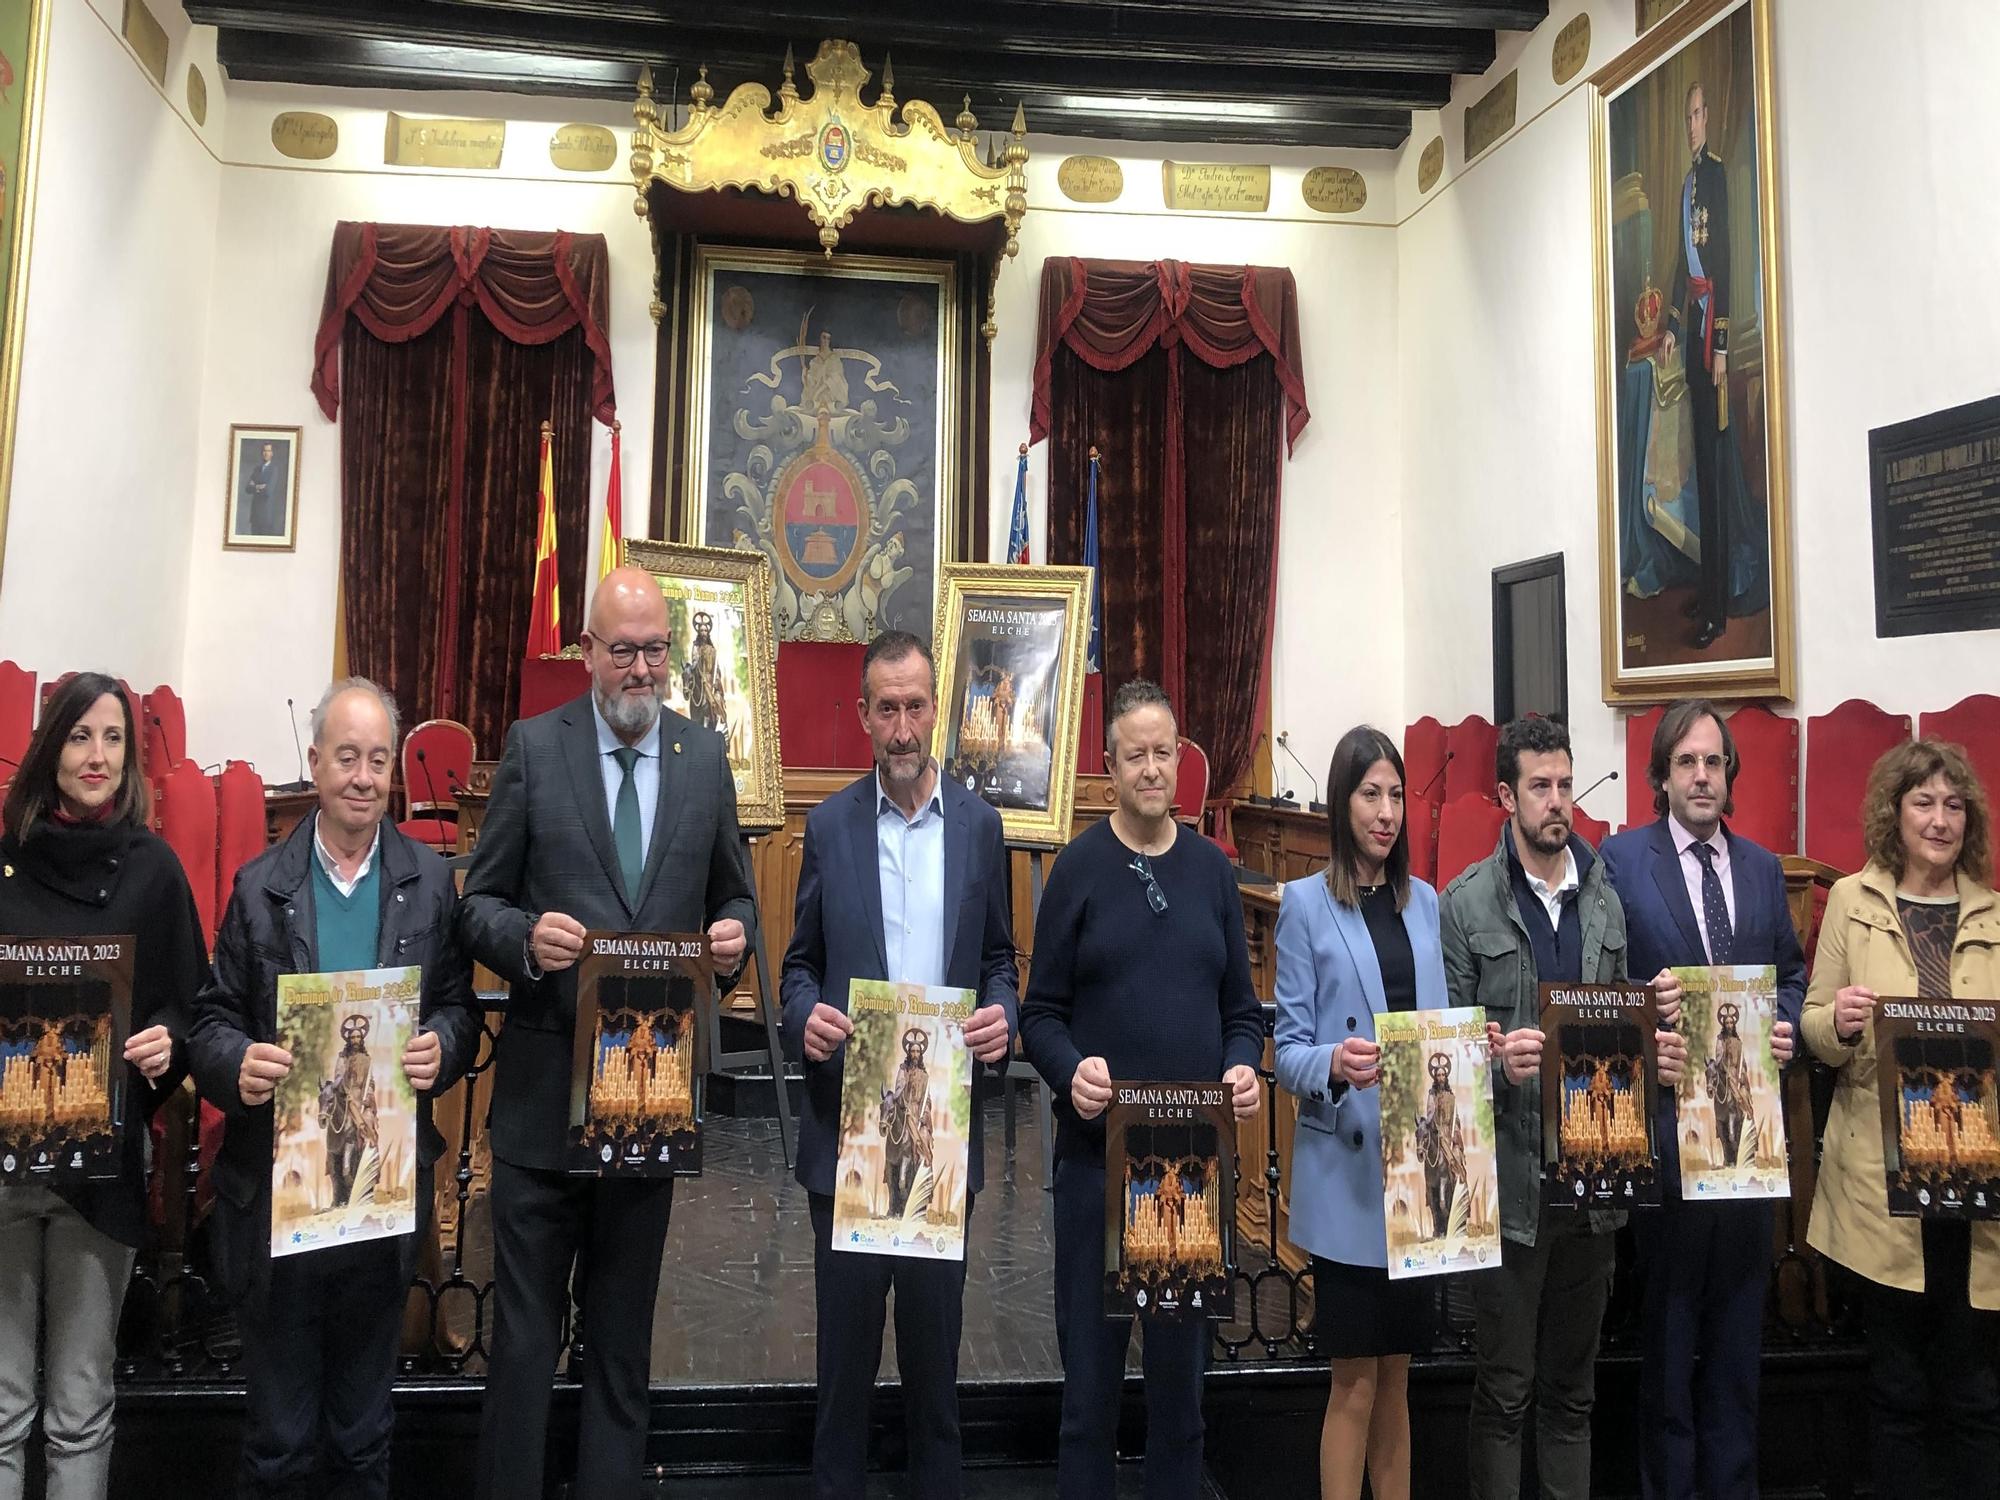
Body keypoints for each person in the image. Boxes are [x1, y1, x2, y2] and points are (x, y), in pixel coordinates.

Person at [457, 565, 757, 1500]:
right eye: (620, 649)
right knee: (524, 1352)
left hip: (649, 1109)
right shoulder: (533, 751)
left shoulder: (706, 759)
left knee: (623, 1353)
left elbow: (736, 895)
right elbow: (478, 904)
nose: (639, 668)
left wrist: (734, 940)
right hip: (544, 1114)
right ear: (586, 651)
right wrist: (524, 941)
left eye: (655, 649)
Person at [187, 677, 480, 1499]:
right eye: (345, 757)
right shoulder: (259, 887)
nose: (361, 776)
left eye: (377, 760)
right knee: (278, 1443)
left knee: (362, 1438)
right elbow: (210, 1021)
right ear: (314, 764)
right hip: (279, 1204)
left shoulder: (428, 880)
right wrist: (236, 1062)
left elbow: (458, 1005)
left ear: (393, 772)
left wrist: (443, 1048)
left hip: (377, 1199)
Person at [779, 629, 1017, 1500]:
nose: (906, 726)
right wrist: (804, 1017)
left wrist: (1004, 1016)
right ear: (864, 716)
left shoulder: (982, 827)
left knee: (935, 1384)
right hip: (847, 1140)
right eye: (889, 709)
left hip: (940, 1139)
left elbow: (999, 959)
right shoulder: (831, 827)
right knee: (841, 1382)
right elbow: (797, 966)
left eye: (918, 706)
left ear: (936, 711)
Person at [1021, 679, 1264, 1500]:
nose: (1154, 769)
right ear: (1110, 765)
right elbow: (1041, 1013)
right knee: (1089, 1396)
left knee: (1181, 1400)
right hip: (1096, 1171)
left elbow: (1243, 1012)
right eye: (1137, 756)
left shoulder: (1211, 874)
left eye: (1166, 753)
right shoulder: (1079, 870)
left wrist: (1240, 1064)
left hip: (1192, 1176)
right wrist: (1069, 1072)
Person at [1440, 715, 1686, 1500]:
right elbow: (1440, 1050)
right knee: (1505, 1392)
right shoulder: (1466, 905)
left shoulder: (1606, 897)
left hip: (1595, 1178)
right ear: (1507, 796)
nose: (1557, 803)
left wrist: (1658, 1041)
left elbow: (1624, 1019)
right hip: (1512, 1183)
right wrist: (1491, 1055)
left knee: (1572, 1396)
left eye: (1564, 786)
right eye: (1539, 787)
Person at [0, 673, 205, 1500]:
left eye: (114, 738)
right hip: (5, 1171)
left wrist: (171, 1046)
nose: (97, 756)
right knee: (3, 1405)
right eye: (81, 736)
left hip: (102, 1167)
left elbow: (193, 1009)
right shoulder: (4, 865)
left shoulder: (153, 871)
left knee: (80, 1406)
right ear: (52, 749)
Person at [1598, 700, 1805, 1500]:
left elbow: (1789, 972)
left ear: (1730, 774)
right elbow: (1600, 982)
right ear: (1660, 775)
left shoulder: (1759, 867)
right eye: (1686, 762)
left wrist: (1786, 1023)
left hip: (1750, 1143)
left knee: (1736, 1345)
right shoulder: (1620, 862)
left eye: (1714, 762)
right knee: (1670, 1338)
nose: (1702, 776)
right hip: (1666, 1136)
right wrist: (1641, 1016)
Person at [1802, 739, 2000, 1500]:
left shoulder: (1989, 911)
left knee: (1976, 1394)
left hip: (1974, 1190)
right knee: (1899, 1393)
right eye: (1924, 802)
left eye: (1954, 805)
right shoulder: (1854, 899)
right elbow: (1815, 1026)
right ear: (1895, 811)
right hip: (1880, 1190)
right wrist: (1843, 1022)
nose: (1940, 819)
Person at [1273, 726, 1449, 1500]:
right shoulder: (1307, 906)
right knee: (1354, 1384)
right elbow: (1285, 1052)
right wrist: (1336, 1066)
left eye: (1396, 796)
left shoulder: (1426, 904)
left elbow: (1439, 1024)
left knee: (1399, 1379)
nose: (1386, 813)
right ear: (1342, 803)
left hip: (1417, 1169)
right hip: (1349, 1173)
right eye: (1370, 794)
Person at [1660, 81, 1733, 648]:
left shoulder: (1716, 177)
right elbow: (1680, 267)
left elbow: (1723, 260)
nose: (1691, 124)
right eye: (1685, 116)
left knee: (1715, 471)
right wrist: (1670, 329)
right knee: (1700, 470)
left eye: (1697, 114)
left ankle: (1721, 603)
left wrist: (1723, 345)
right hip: (1692, 332)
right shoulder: (1686, 184)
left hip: (1716, 336)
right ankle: (1707, 594)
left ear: (1709, 118)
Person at [237, 441, 286, 538]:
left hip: (266, 515)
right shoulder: (257, 469)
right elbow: (248, 488)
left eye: (268, 451)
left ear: (272, 453)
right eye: (264, 451)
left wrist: (255, 486)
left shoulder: (274, 470)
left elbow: (268, 491)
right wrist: (258, 487)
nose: (266, 453)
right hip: (255, 515)